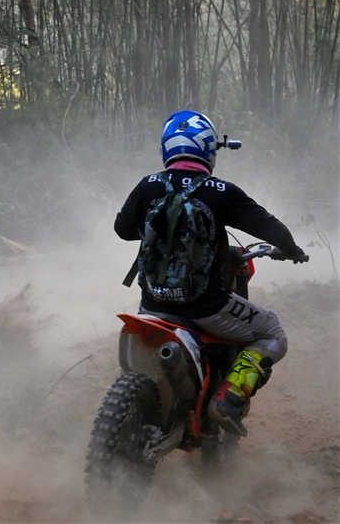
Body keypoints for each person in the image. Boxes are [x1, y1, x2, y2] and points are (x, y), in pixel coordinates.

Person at [114, 110, 308, 436]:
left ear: (167, 149)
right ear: (208, 149)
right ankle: (229, 398)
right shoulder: (221, 191)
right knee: (272, 331)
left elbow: (123, 230)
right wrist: (291, 250)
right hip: (206, 308)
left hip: (151, 306)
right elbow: (272, 229)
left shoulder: (147, 186)